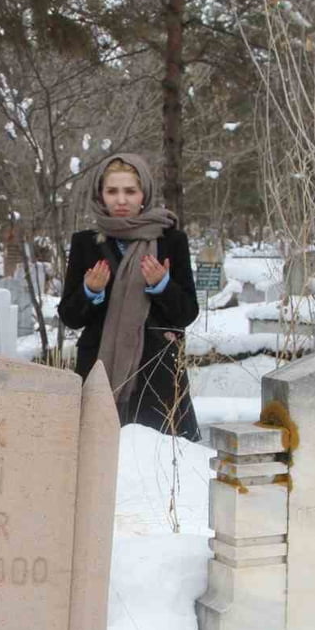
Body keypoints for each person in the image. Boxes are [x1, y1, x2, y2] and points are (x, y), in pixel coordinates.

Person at [58, 153, 201, 440]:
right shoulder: (86, 243)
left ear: (143, 194)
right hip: (100, 366)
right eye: (112, 191)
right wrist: (90, 291)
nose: (121, 200)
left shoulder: (170, 240)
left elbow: (186, 313)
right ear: (101, 195)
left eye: (129, 191)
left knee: (155, 464)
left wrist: (162, 285)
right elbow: (70, 317)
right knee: (97, 457)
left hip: (155, 370)